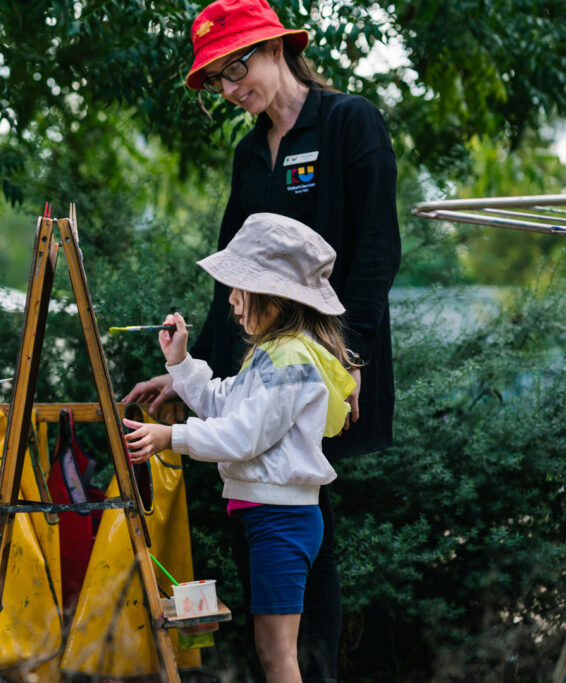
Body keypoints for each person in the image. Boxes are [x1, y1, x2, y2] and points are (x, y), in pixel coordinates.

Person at [123, 1, 401, 680]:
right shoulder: (251, 149)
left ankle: (308, 669)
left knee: (302, 502)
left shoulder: (347, 121)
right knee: (265, 507)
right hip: (259, 359)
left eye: (234, 66)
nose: (227, 87)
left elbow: (377, 247)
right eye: (216, 78)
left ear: (278, 48)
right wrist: (192, 370)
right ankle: (286, 668)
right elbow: (233, 274)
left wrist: (350, 353)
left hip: (326, 358)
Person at [123, 212, 356, 683]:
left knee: (277, 654)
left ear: (275, 295)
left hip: (281, 521)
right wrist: (181, 362)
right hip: (267, 517)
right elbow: (221, 403)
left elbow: (243, 436)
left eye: (239, 286)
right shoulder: (272, 353)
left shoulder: (290, 358)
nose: (231, 299)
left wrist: (173, 437)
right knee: (271, 650)